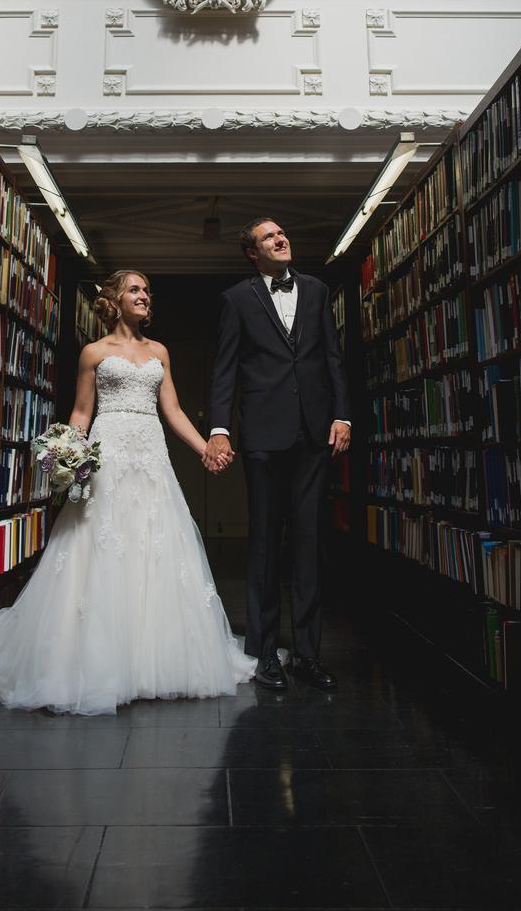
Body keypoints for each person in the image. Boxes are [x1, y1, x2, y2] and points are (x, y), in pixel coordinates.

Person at [0, 269, 255, 714]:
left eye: (148, 292)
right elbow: (81, 412)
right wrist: (67, 454)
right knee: (100, 544)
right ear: (114, 299)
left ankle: (154, 660)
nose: (145, 297)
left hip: (151, 455)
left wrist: (205, 450)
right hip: (109, 452)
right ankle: (95, 662)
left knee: (153, 546)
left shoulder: (160, 352)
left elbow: (171, 411)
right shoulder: (93, 353)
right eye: (135, 290)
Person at [208, 218, 351, 691]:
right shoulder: (236, 300)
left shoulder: (316, 290)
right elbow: (225, 369)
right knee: (266, 546)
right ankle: (264, 654)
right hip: (263, 437)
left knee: (308, 545)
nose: (280, 238)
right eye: (268, 237)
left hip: (314, 434)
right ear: (253, 253)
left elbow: (332, 357)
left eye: (282, 232)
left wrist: (342, 416)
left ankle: (308, 655)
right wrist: (221, 429)